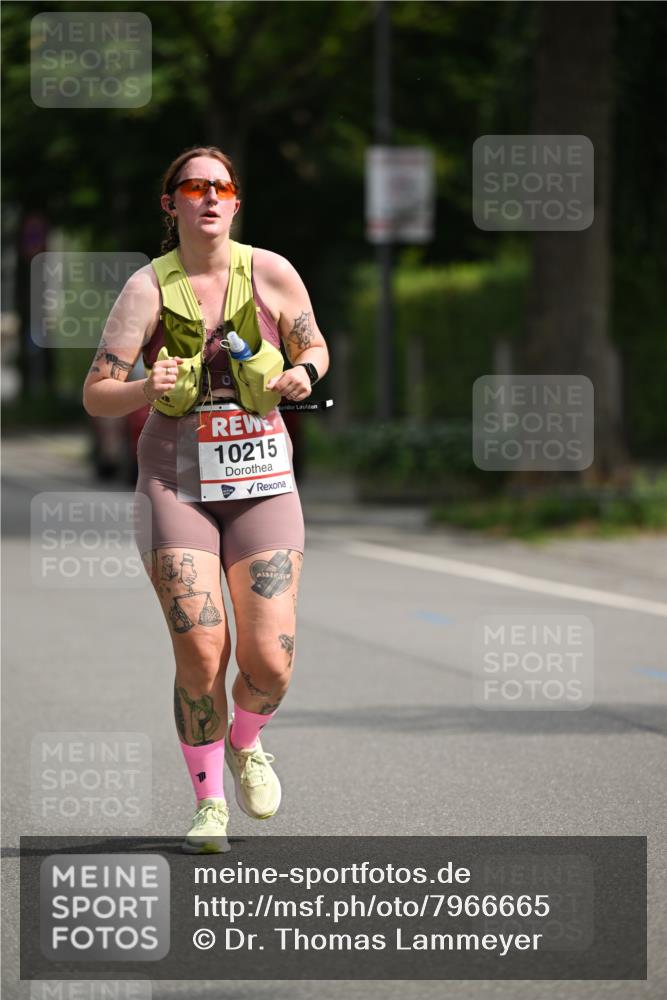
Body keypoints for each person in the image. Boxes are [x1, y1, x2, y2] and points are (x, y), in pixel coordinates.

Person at [83, 146, 329, 852]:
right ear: (172, 205)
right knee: (200, 650)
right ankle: (208, 804)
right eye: (194, 186)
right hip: (176, 483)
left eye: (222, 186)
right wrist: (144, 387)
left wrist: (303, 375)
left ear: (236, 201)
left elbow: (314, 348)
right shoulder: (146, 288)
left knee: (269, 660)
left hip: (260, 484)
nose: (210, 197)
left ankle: (246, 742)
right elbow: (96, 393)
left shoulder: (272, 272)